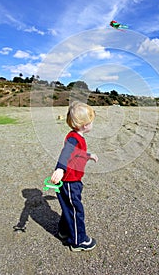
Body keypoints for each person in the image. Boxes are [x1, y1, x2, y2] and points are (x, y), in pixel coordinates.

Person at [51, 101, 98, 251]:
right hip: (70, 182)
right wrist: (59, 169)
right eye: (91, 122)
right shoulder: (73, 139)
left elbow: (77, 153)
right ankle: (78, 241)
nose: (92, 125)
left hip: (73, 181)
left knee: (69, 206)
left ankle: (65, 231)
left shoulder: (76, 136)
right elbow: (65, 154)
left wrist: (89, 155)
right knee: (76, 210)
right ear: (85, 125)